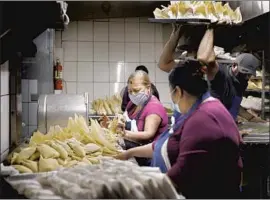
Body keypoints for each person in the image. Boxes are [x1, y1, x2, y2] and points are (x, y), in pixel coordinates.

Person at [116, 59, 243, 199]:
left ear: (178, 91)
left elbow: (182, 172)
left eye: (171, 92)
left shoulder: (203, 118)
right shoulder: (195, 110)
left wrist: (141, 190)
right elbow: (163, 144)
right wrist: (128, 154)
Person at [159, 24, 261, 121]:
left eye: (192, 52)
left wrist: (252, 119)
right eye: (188, 52)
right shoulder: (186, 69)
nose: (188, 56)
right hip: (191, 121)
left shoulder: (216, 73)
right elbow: (163, 64)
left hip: (209, 123)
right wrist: (176, 33)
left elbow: (232, 105)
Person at [120, 70, 168, 166]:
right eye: (130, 91)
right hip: (136, 153)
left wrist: (125, 134)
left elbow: (148, 134)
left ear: (148, 88)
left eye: (137, 90)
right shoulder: (132, 104)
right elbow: (124, 120)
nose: (133, 94)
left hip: (150, 158)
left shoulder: (154, 107)